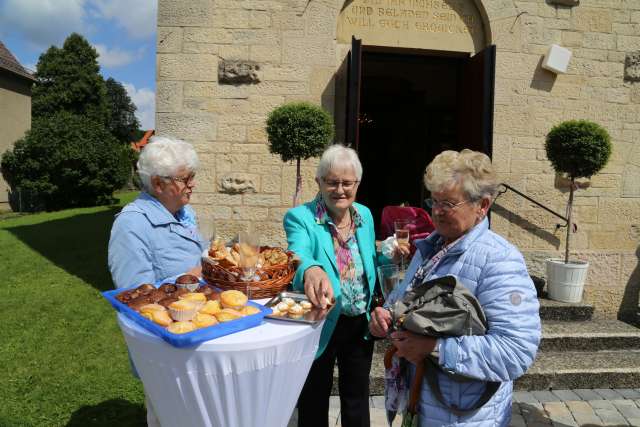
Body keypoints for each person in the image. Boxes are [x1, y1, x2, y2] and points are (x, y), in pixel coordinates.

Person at [369, 149, 541, 427]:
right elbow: (404, 300)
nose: (436, 212)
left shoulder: (499, 259)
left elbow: (515, 351)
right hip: (422, 406)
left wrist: (434, 348)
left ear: (482, 205)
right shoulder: (429, 247)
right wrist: (387, 315)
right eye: (433, 201)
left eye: (448, 203)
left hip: (466, 417)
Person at [284, 144, 379, 427]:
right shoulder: (300, 217)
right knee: (314, 399)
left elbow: (367, 258)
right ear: (319, 182)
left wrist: (387, 253)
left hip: (358, 321)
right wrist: (311, 269)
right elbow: (297, 252)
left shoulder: (365, 214)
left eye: (347, 183)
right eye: (332, 182)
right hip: (320, 319)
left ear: (357, 184)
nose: (340, 190)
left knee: (357, 400)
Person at [108, 135, 206, 289]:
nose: (193, 184)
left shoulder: (185, 212)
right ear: (159, 184)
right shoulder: (132, 224)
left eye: (192, 176)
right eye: (185, 179)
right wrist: (188, 279)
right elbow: (135, 294)